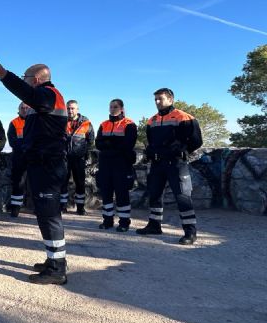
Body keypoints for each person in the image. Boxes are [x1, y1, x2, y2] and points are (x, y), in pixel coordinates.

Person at [0, 54, 68, 285]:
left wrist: (4, 75)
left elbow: (28, 94)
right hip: (41, 164)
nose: (24, 80)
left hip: (48, 166)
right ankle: (53, 260)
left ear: (36, 80)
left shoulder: (49, 95)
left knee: (50, 216)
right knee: (45, 215)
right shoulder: (45, 98)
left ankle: (57, 268)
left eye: (26, 77)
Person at [136, 88, 203, 245]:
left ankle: (190, 232)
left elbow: (196, 140)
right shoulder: (151, 120)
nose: (157, 102)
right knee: (154, 195)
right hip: (157, 164)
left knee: (183, 197)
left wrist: (182, 149)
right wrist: (150, 151)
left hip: (176, 164)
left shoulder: (184, 117)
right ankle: (154, 225)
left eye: (160, 99)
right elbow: (151, 141)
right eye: (156, 100)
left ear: (170, 100)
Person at [95, 99, 138, 232]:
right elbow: (98, 143)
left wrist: (108, 143)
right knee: (106, 193)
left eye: (115, 107)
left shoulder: (129, 124)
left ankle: (124, 222)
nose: (113, 109)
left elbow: (128, 144)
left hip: (121, 164)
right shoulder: (104, 124)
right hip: (105, 164)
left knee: (122, 193)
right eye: (111, 107)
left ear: (122, 108)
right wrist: (113, 143)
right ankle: (107, 221)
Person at [61, 100, 94, 215]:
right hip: (64, 158)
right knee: (62, 183)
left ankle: (80, 207)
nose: (70, 110)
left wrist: (82, 152)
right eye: (68, 108)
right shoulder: (61, 120)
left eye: (72, 108)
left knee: (80, 183)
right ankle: (62, 206)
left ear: (77, 109)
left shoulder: (86, 122)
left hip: (78, 158)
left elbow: (90, 140)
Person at [7, 102, 30, 217]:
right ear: (19, 109)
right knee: (18, 183)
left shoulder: (35, 121)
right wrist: (26, 146)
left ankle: (37, 208)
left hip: (33, 157)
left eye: (26, 108)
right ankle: (15, 208)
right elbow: (12, 141)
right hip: (19, 157)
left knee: (35, 182)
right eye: (22, 108)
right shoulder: (14, 123)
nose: (24, 109)